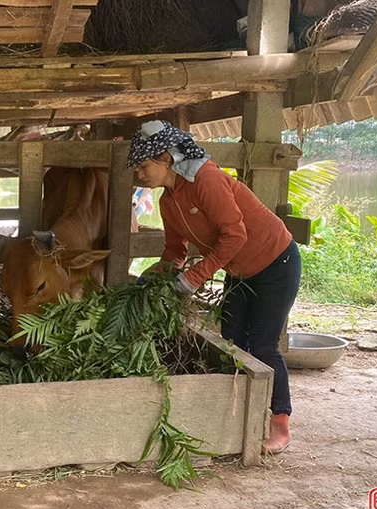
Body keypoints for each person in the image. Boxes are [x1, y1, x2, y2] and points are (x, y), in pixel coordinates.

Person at [128, 120, 301, 454]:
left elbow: (235, 236)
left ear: (165, 158)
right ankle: (244, 418)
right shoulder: (168, 202)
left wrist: (194, 278)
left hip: (276, 262)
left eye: (143, 165)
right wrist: (153, 280)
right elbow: (174, 253)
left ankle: (280, 423)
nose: (139, 174)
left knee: (263, 346)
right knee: (233, 341)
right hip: (239, 271)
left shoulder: (206, 180)